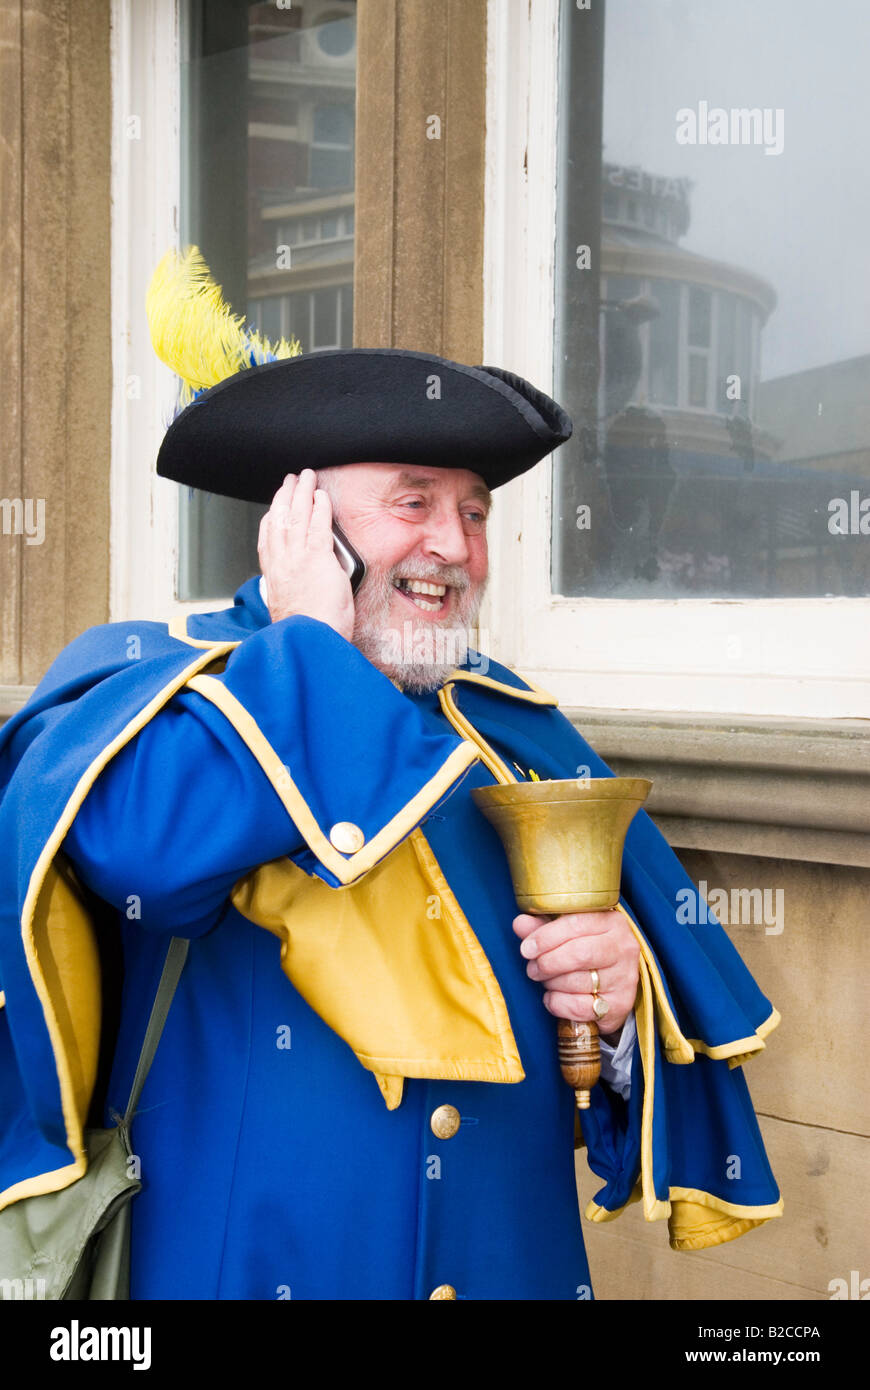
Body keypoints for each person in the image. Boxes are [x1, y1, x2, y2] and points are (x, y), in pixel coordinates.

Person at [0, 348, 781, 1301]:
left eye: (476, 511)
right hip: (246, 1265)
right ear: (305, 527)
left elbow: (621, 1036)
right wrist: (312, 641)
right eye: (413, 504)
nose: (454, 545)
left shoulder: (513, 723)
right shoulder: (162, 684)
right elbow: (150, 863)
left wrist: (615, 1004)